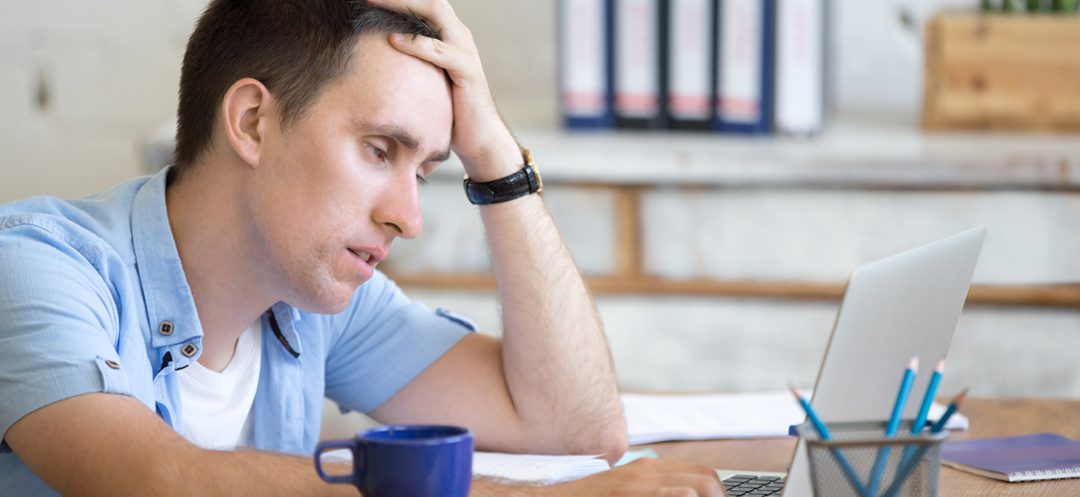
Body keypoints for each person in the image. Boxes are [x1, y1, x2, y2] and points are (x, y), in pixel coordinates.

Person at [0, 1, 724, 495]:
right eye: (381, 150)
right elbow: (158, 478)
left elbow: (576, 430)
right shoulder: (37, 267)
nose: (408, 216)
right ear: (252, 121)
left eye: (426, 170)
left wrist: (497, 159)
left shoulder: (316, 298)